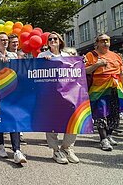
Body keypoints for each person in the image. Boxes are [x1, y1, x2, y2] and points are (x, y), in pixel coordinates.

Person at [37, 31, 79, 164]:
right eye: (50, 39)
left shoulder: (67, 56)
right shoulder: (42, 55)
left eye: (55, 38)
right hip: (49, 94)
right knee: (51, 122)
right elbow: (35, 72)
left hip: (67, 93)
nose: (52, 41)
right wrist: (43, 63)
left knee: (73, 119)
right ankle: (55, 150)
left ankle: (67, 147)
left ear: (60, 41)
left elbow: (76, 73)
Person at [0, 32, 27, 164]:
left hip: (12, 92)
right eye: (2, 40)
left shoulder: (14, 56)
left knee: (14, 118)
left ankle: (16, 150)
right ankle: (0, 145)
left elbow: (20, 72)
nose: (4, 42)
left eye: (6, 40)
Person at [85, 33, 123, 151]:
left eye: (107, 40)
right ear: (97, 43)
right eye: (102, 41)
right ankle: (103, 139)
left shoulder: (116, 56)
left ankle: (109, 135)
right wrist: (97, 64)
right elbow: (85, 70)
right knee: (100, 114)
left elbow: (121, 73)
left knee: (114, 113)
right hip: (98, 89)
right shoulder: (91, 55)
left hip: (115, 88)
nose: (105, 43)